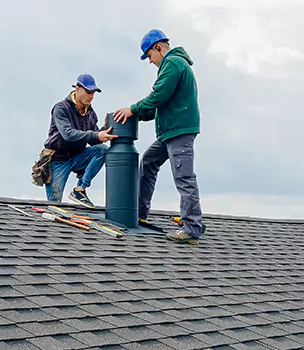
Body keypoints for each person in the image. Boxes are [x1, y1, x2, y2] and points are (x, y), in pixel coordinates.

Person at [113, 29, 206, 244]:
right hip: (169, 132)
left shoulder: (172, 63)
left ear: (158, 47)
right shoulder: (173, 65)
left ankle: (192, 227)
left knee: (184, 176)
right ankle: (139, 213)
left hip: (180, 131)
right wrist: (135, 115)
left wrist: (132, 108)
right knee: (148, 162)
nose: (150, 61)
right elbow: (159, 105)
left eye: (149, 56)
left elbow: (158, 96)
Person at [34, 73, 117, 208]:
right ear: (77, 89)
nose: (91, 96)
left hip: (77, 156)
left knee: (102, 150)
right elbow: (68, 134)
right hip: (57, 160)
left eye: (93, 93)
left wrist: (105, 129)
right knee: (54, 206)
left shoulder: (90, 113)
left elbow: (93, 140)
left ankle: (80, 190)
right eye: (88, 92)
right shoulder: (61, 108)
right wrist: (96, 135)